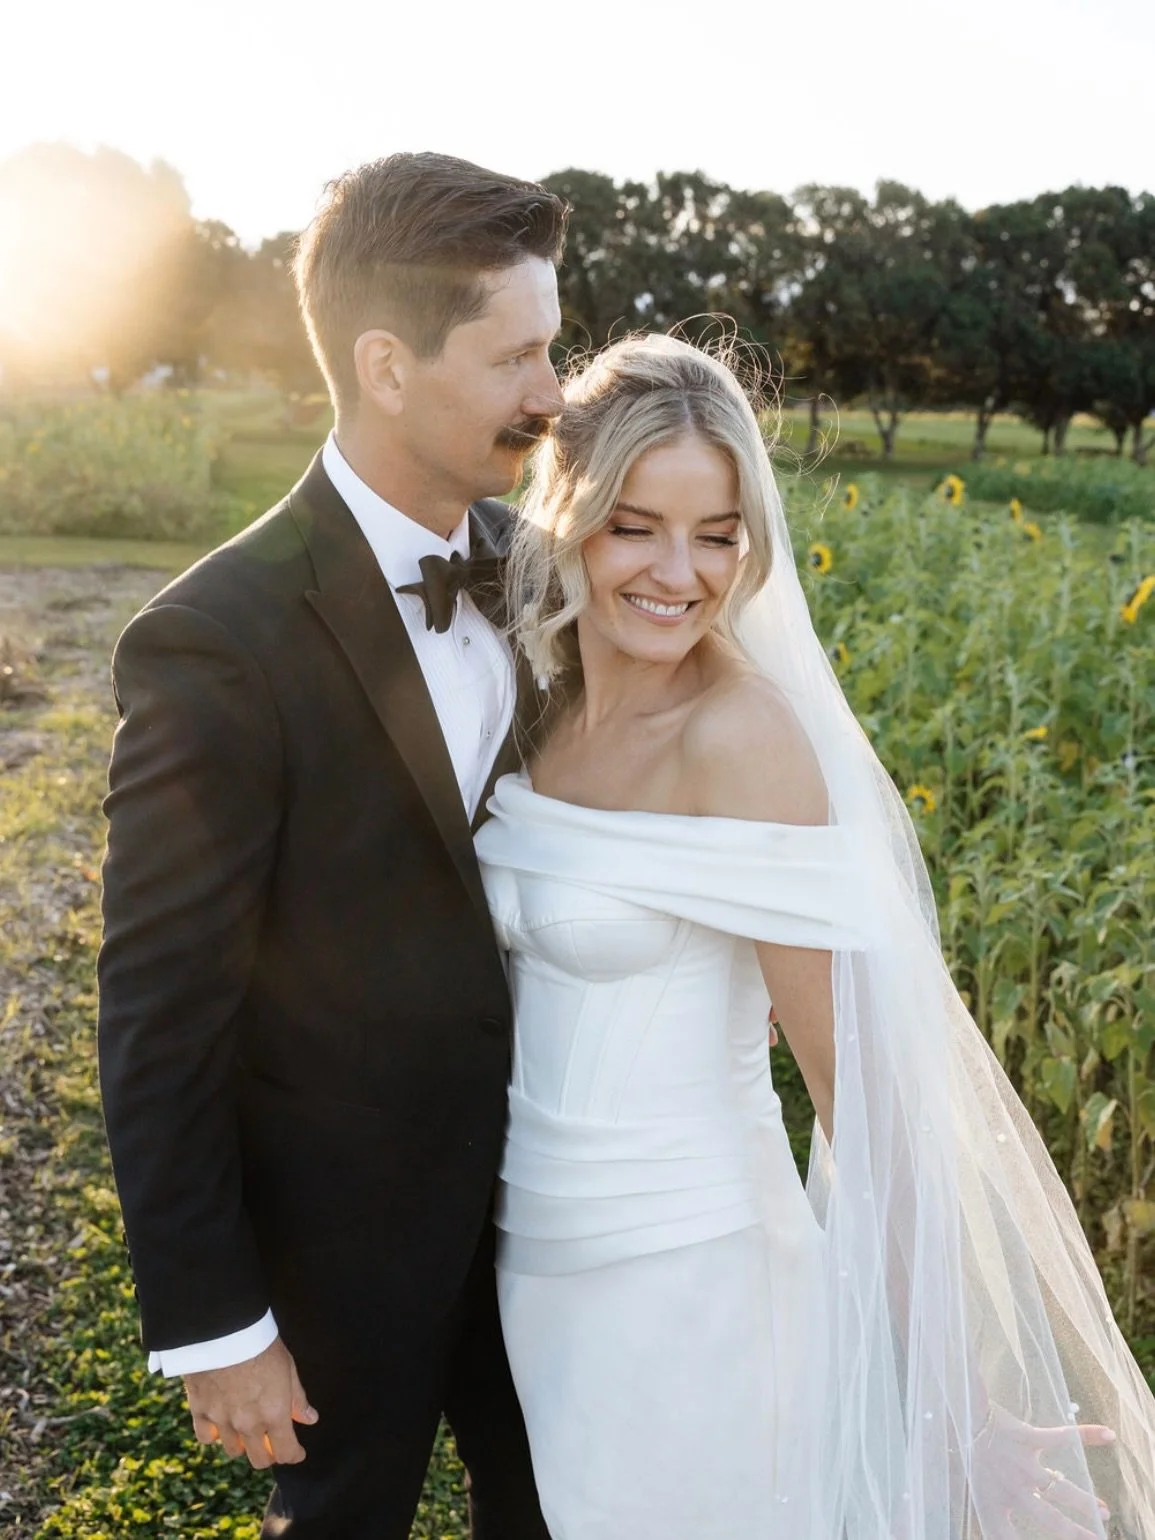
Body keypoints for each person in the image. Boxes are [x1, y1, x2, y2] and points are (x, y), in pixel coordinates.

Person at [474, 334, 1155, 1540]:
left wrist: (962, 1410)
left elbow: (866, 1095)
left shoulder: (744, 739)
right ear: (567, 511)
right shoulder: (538, 704)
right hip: (539, 1275)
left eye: (719, 533)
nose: (679, 573)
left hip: (705, 1286)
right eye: (636, 525)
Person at [97, 152, 567, 1539]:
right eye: (518, 356)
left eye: (555, 347)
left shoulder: (546, 574)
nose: (553, 394)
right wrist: (213, 1320)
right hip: (337, 1243)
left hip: (557, 1209)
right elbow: (160, 1009)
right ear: (386, 365)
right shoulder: (213, 639)